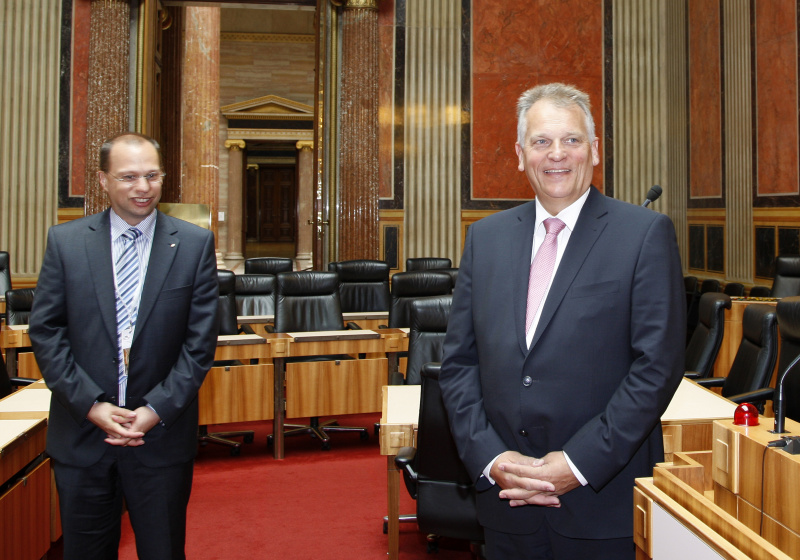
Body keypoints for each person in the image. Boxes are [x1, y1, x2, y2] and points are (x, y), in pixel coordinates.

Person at [439, 83, 685, 559]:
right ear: (519, 154)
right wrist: (491, 458)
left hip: (600, 501)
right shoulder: (484, 239)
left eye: (572, 140)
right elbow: (459, 365)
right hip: (507, 503)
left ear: (595, 152)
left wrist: (577, 464)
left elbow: (656, 366)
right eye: (541, 141)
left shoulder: (644, 234)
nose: (557, 154)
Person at [29, 132, 219, 559]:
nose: (143, 187)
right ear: (103, 179)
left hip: (161, 437)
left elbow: (200, 342)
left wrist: (153, 411)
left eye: (152, 175)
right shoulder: (66, 242)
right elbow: (46, 332)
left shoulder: (193, 244)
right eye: (129, 176)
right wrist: (92, 405)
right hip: (82, 435)